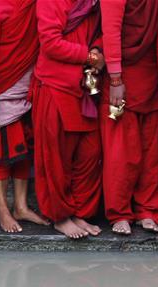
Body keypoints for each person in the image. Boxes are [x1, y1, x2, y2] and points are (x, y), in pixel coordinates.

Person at [0, 0, 47, 234]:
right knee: (0, 154)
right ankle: (3, 209)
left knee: (22, 150)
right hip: (1, 90)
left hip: (28, 87)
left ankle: (21, 206)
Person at [33, 0, 104, 239]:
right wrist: (89, 57)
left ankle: (80, 211)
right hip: (54, 84)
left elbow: (102, 31)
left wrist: (98, 51)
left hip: (84, 86)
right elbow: (50, 43)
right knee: (55, 157)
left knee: (90, 153)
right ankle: (60, 216)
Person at [99, 0, 158, 235]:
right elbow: (111, 30)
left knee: (153, 150)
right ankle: (120, 213)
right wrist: (116, 79)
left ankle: (149, 210)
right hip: (123, 75)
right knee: (121, 151)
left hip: (153, 72)